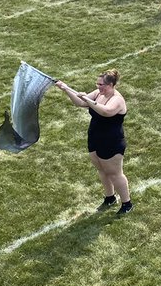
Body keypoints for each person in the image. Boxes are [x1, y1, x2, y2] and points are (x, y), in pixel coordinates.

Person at [54, 70, 133, 217]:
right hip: (95, 137)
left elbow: (106, 112)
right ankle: (110, 197)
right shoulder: (98, 93)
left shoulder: (117, 99)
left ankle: (127, 203)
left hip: (112, 141)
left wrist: (87, 100)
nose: (98, 87)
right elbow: (80, 102)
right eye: (97, 84)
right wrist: (65, 89)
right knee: (101, 169)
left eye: (101, 84)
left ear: (111, 84)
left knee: (115, 174)